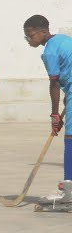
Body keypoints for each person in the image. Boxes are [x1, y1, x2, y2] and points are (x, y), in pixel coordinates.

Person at [23, 14, 72, 206]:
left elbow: (54, 84)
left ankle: (68, 190)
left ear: (43, 31)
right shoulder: (64, 40)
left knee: (70, 138)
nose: (29, 40)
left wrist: (54, 116)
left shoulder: (49, 52)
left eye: (30, 35)